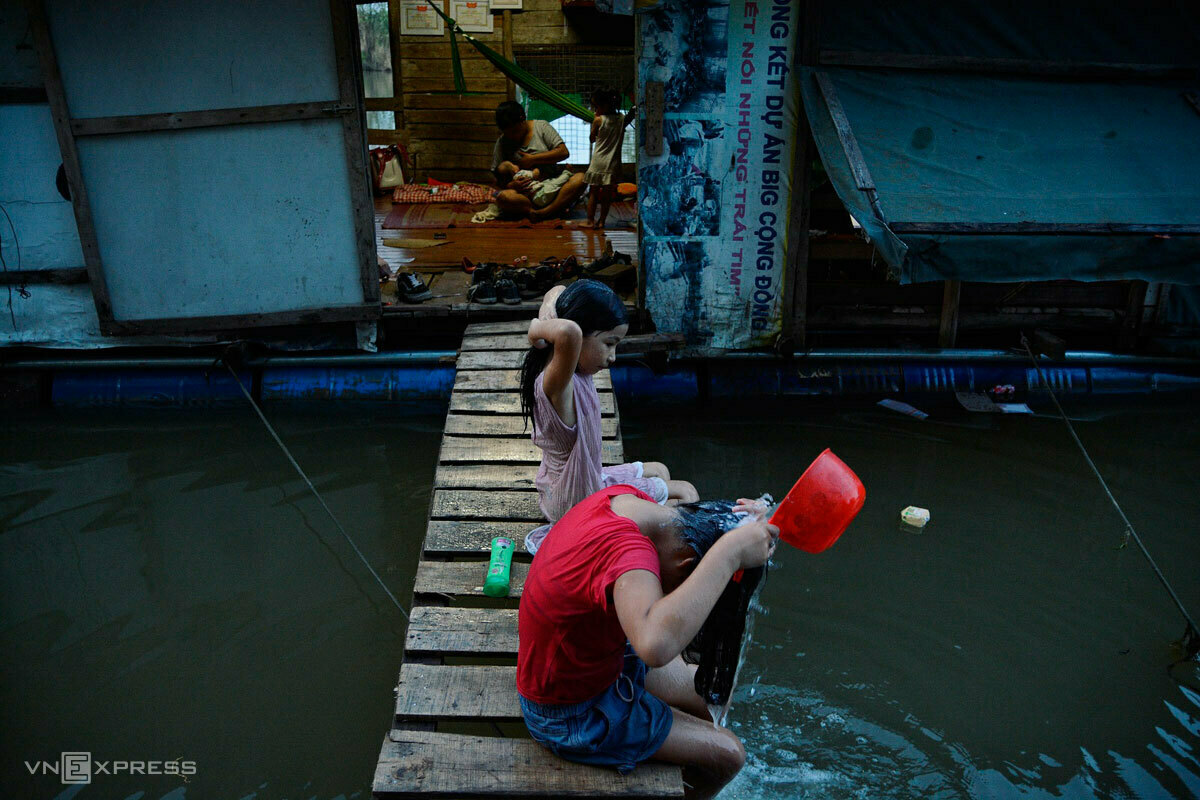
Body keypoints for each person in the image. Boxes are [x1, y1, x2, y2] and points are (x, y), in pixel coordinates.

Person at [517, 486, 779, 799]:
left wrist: (746, 527)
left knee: (713, 694)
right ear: (685, 566)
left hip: (595, 659)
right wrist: (729, 552)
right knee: (729, 756)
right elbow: (655, 647)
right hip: (567, 712)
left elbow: (696, 522)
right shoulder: (630, 556)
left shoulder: (629, 504)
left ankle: (660, 735)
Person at [521, 280, 699, 554]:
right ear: (580, 335)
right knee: (685, 492)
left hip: (572, 483)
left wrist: (544, 323)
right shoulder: (558, 384)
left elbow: (556, 289)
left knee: (659, 471)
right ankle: (658, 555)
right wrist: (535, 329)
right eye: (609, 343)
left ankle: (643, 529)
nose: (613, 357)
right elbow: (568, 330)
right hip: (576, 501)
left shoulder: (567, 368)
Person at [492, 100, 587, 221]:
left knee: (581, 179)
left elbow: (563, 152)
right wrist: (511, 185)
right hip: (526, 195)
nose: (512, 136)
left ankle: (544, 212)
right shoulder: (502, 142)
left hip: (553, 186)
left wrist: (532, 159)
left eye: (515, 131)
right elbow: (496, 177)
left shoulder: (541, 127)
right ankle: (548, 209)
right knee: (504, 197)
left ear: (523, 119)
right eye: (508, 133)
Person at [585, 87, 635, 229]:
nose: (595, 110)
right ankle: (602, 221)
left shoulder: (598, 121)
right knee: (607, 195)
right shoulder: (621, 119)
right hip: (612, 163)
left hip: (598, 162)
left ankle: (589, 221)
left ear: (604, 106)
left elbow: (591, 139)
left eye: (596, 107)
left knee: (594, 193)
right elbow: (628, 119)